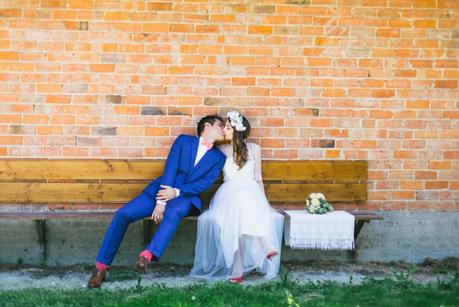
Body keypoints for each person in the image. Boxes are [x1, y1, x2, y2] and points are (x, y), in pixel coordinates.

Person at [88, 115, 226, 288]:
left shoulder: (218, 158)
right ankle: (100, 268)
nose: (224, 130)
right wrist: (161, 201)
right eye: (221, 125)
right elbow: (171, 167)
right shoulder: (183, 141)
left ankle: (146, 256)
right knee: (123, 214)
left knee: (174, 212)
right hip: (158, 191)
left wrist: (176, 192)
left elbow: (204, 184)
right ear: (207, 125)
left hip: (185, 197)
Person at [190, 111, 284, 283]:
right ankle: (265, 244)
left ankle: (238, 269)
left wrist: (264, 203)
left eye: (227, 127)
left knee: (241, 207)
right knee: (238, 202)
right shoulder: (221, 150)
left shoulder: (254, 149)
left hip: (251, 192)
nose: (224, 130)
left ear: (236, 130)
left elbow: (258, 178)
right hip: (228, 194)